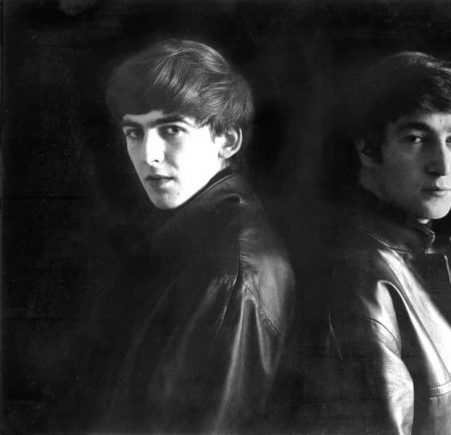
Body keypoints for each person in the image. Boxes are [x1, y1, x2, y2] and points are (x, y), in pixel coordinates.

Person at [58, 39, 295, 433]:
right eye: (134, 132)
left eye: (172, 129)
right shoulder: (190, 238)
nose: (149, 154)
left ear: (228, 141)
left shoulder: (230, 271)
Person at [323, 52, 451, 434]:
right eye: (416, 138)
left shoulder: (408, 252)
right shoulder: (362, 278)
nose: (443, 165)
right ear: (367, 149)